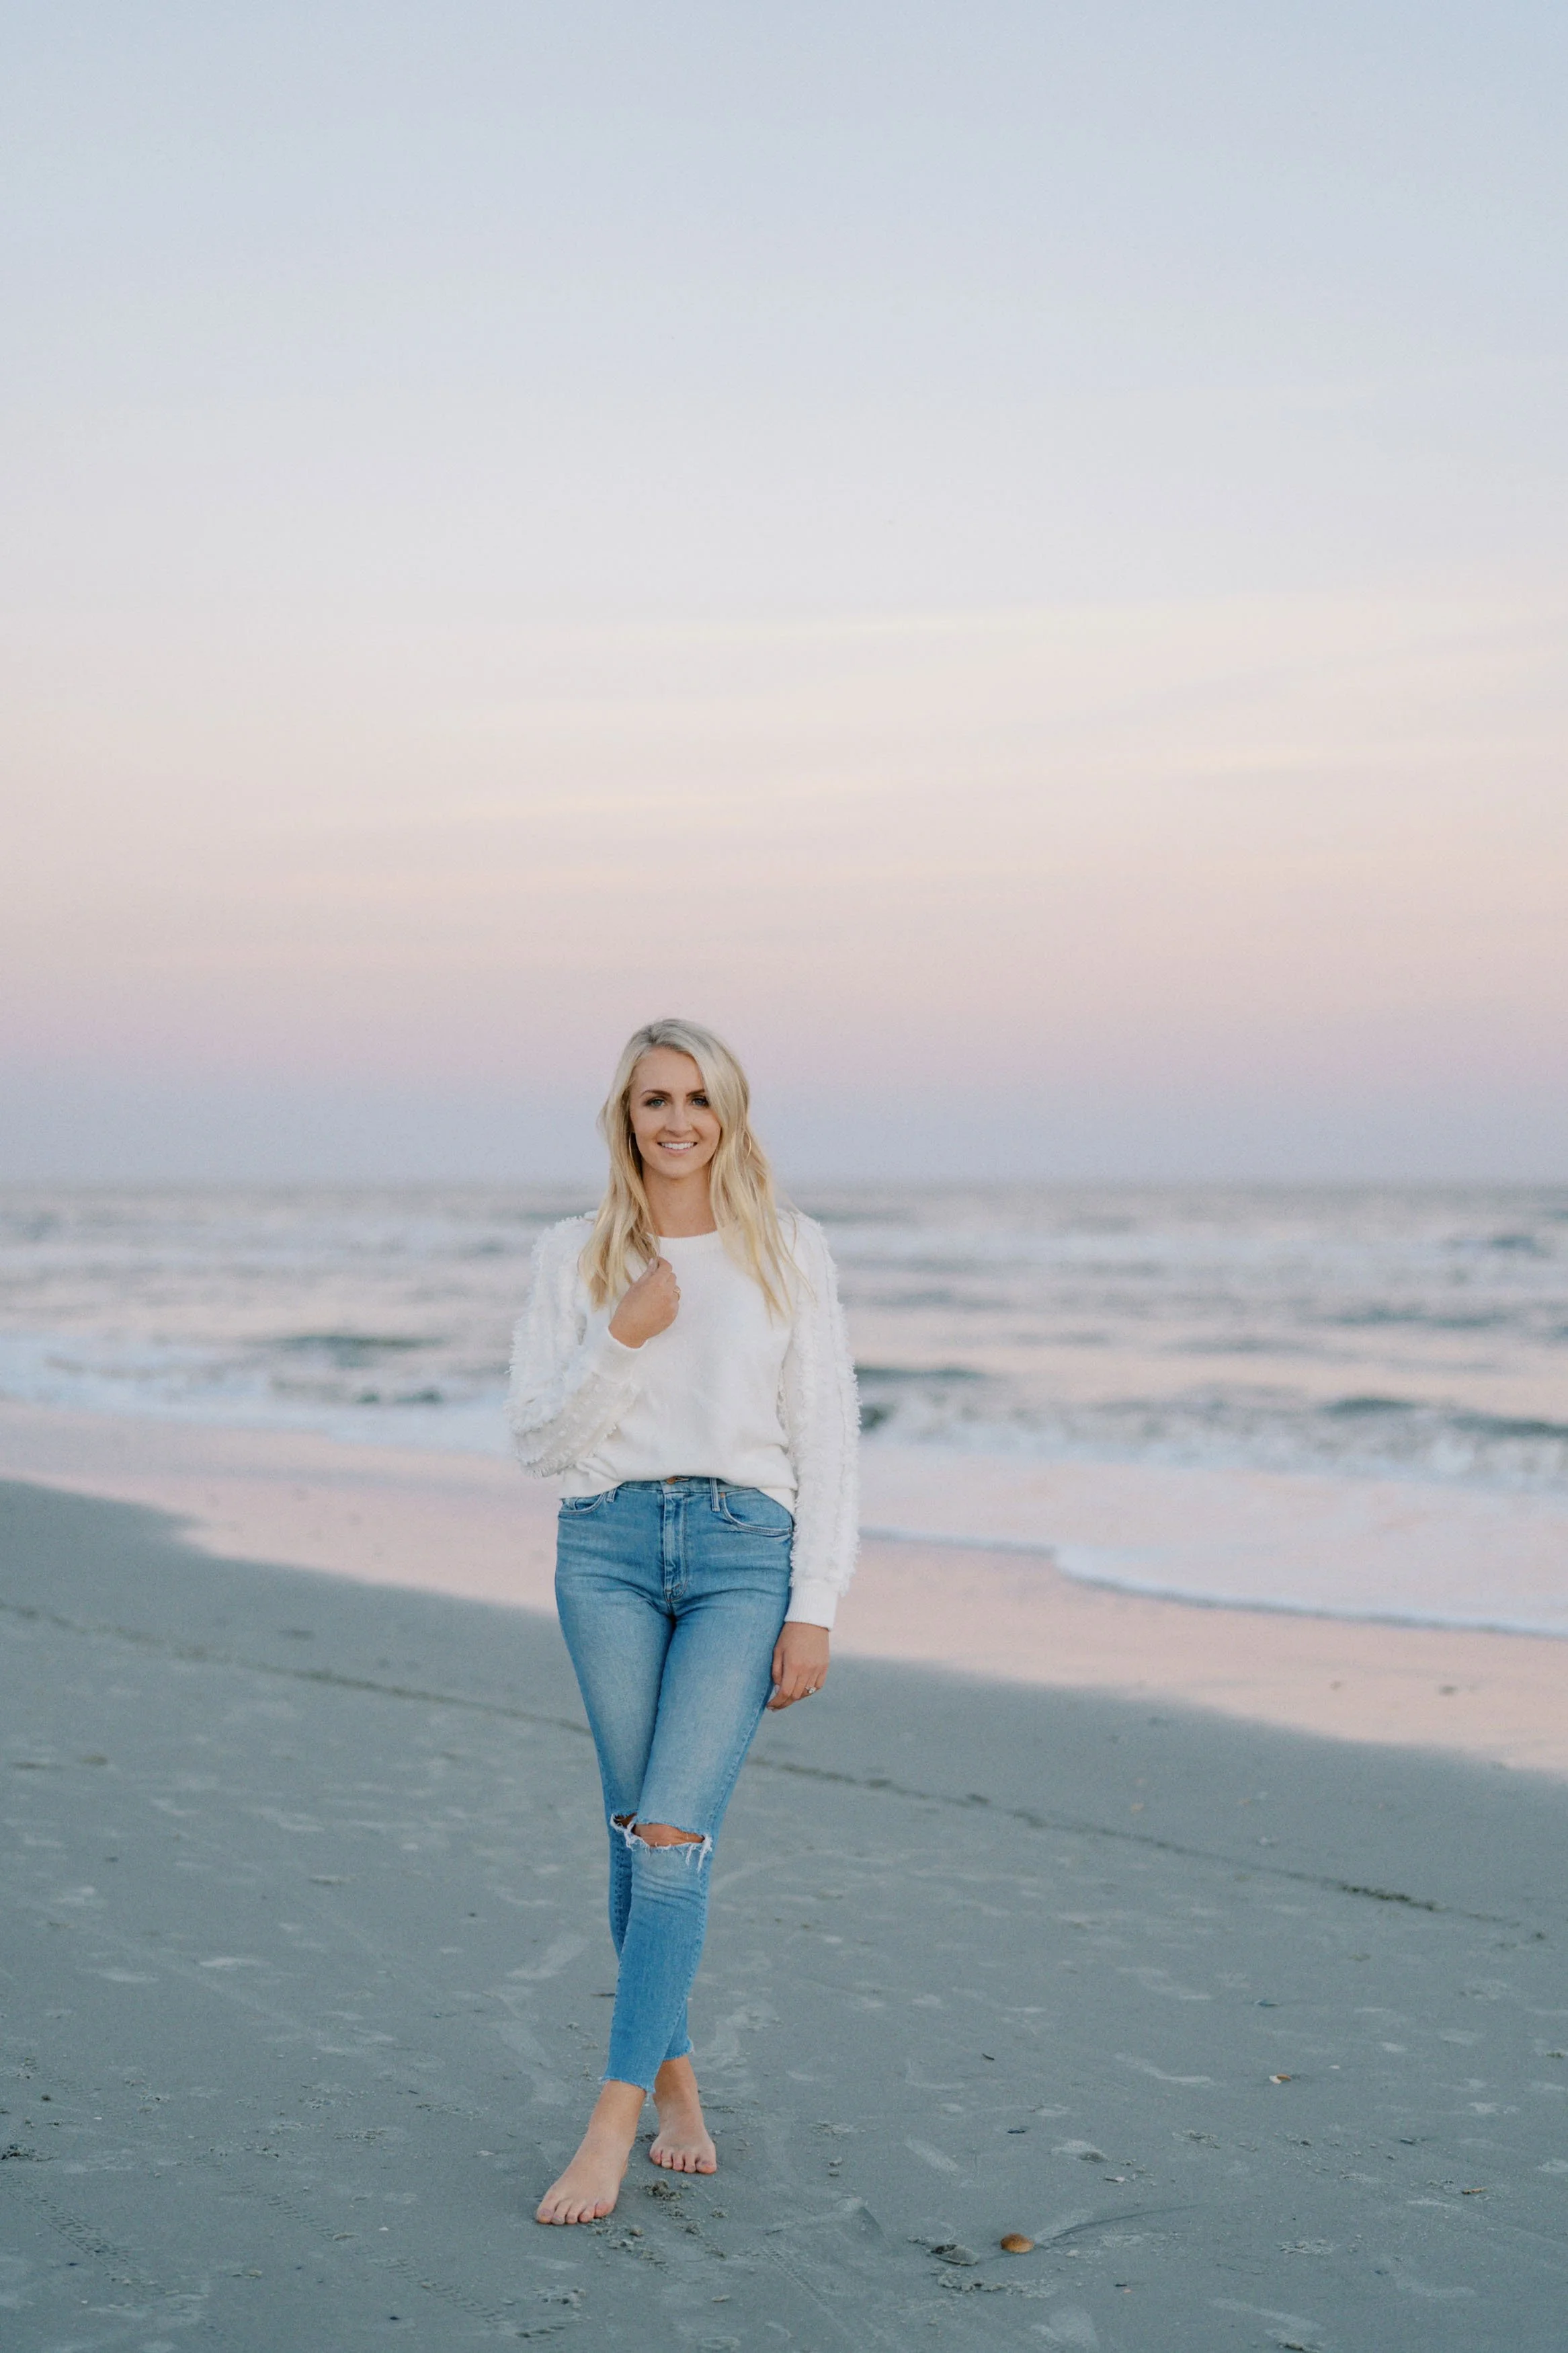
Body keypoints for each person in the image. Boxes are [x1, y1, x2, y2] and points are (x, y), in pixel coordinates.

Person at [508, 1016, 859, 2226]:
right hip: (602, 1549)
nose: (678, 1120)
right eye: (655, 1099)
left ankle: (609, 2119)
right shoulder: (574, 1256)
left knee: (671, 1838)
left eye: (699, 1099)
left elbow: (829, 1443)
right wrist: (622, 1333)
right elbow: (538, 1441)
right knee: (631, 1834)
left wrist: (814, 1607)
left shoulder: (789, 1250)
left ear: (730, 1114)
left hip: (741, 1555)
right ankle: (678, 2090)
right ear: (626, 1116)